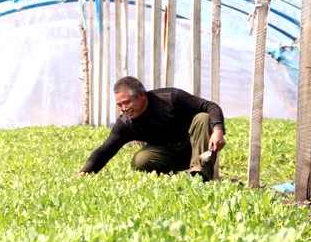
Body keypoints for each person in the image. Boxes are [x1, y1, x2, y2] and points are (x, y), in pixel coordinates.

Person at [78, 76, 226, 181]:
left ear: (142, 95)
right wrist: (86, 171)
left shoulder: (171, 97)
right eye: (119, 105)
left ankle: (200, 177)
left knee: (203, 117)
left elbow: (211, 106)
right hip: (168, 155)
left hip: (194, 146)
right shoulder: (126, 124)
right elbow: (105, 150)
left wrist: (218, 130)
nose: (123, 109)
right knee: (140, 160)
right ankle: (169, 179)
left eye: (127, 102)